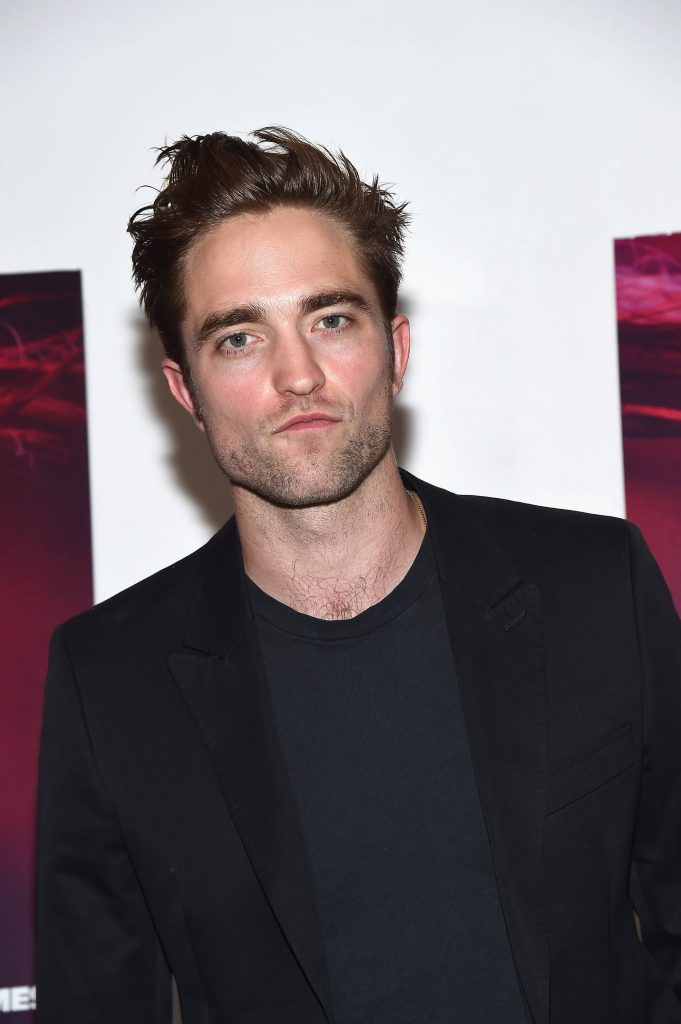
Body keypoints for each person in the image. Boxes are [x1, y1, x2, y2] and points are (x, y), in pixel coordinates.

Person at [37, 128, 681, 1024]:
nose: (297, 375)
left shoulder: (593, 587)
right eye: (239, 338)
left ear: (395, 346)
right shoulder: (111, 679)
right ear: (185, 391)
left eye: (330, 320)